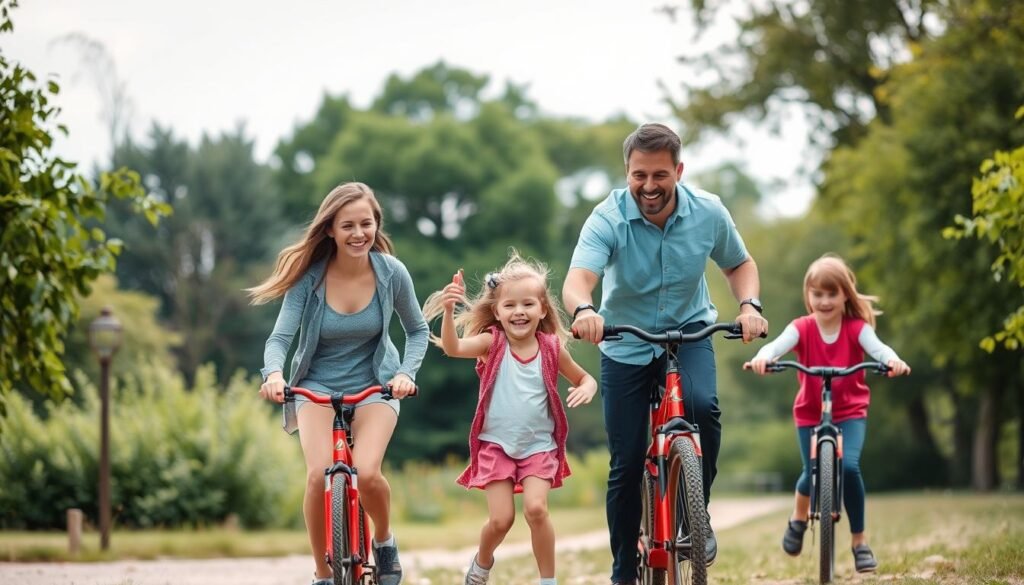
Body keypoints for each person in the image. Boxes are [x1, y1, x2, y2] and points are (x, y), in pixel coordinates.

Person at [563, 122, 768, 584]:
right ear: (627, 172)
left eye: (660, 175)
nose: (649, 186)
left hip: (689, 331)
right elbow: (578, 279)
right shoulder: (607, 218)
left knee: (703, 409)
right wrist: (585, 309)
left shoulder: (708, 212)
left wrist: (749, 304)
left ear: (678, 170)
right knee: (627, 459)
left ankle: (697, 512)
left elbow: (739, 263)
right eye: (639, 175)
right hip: (624, 340)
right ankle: (622, 572)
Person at [248, 182, 428, 585]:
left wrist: (405, 374)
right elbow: (279, 338)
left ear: (376, 224)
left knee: (366, 472)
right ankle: (323, 573)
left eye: (366, 223)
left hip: (375, 386)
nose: (359, 233)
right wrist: (274, 375)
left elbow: (416, 331)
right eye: (348, 225)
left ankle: (383, 541)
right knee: (317, 475)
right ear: (330, 229)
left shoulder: (391, 273)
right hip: (315, 387)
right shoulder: (309, 279)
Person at [422, 252, 599, 585]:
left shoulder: (550, 347)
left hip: (538, 446)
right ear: (498, 313)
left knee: (536, 510)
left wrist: (588, 387)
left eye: (528, 304)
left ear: (543, 309)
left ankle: (548, 580)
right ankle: (482, 561)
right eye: (510, 306)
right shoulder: (493, 343)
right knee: (501, 520)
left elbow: (584, 378)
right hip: (495, 446)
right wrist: (448, 310)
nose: (519, 311)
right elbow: (454, 347)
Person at [743, 254, 910, 574]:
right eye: (817, 294)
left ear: (845, 294)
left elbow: (880, 350)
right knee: (812, 469)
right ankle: (797, 518)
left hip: (850, 412)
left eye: (831, 294)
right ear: (808, 295)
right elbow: (775, 347)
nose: (824, 301)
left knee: (849, 467)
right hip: (809, 412)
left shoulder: (856, 329)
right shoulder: (801, 328)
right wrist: (762, 358)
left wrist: (893, 361)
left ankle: (859, 541)